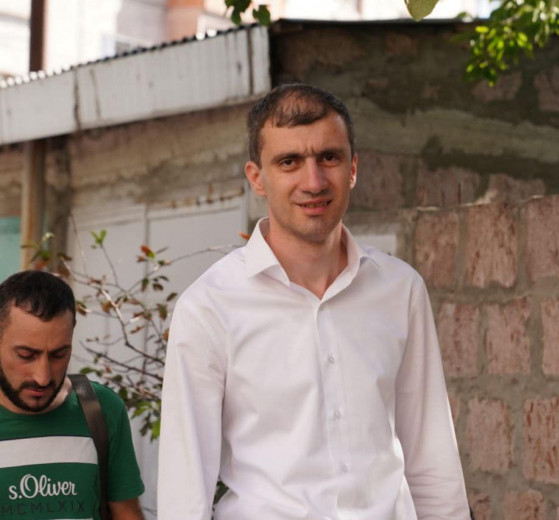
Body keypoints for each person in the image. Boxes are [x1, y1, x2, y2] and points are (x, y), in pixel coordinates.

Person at [157, 83, 470, 519]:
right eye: (289, 161)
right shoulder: (209, 307)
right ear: (257, 178)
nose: (314, 181)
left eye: (329, 157)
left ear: (352, 168)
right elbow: (185, 487)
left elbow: (432, 457)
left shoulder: (401, 290)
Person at [0, 270, 145, 519]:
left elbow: (127, 514)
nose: (43, 377)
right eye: (26, 355)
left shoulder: (100, 409)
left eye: (59, 355)